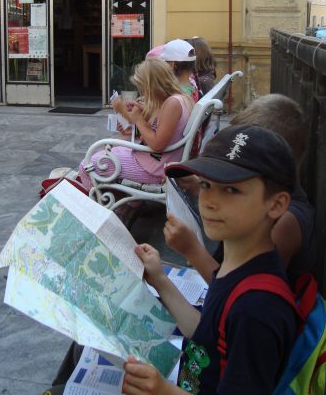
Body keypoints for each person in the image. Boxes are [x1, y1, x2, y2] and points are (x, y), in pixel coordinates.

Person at [122, 124, 298, 394]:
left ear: (276, 204)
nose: (209, 201)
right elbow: (206, 334)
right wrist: (159, 279)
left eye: (231, 190)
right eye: (205, 185)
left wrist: (161, 391)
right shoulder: (238, 262)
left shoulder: (257, 310)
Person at [164, 94, 316, 285]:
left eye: (231, 190)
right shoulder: (270, 199)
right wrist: (197, 186)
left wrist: (192, 250)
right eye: (206, 186)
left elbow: (240, 289)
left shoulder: (285, 222)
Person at [78, 58, 193, 191]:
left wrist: (138, 118)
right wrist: (142, 111)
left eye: (142, 88)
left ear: (152, 86)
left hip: (153, 167)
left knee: (87, 166)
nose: (142, 92)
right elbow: (161, 127)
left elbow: (157, 145)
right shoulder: (182, 98)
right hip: (154, 160)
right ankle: (117, 199)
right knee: (107, 153)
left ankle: (94, 201)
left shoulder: (173, 104)